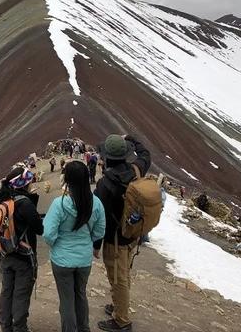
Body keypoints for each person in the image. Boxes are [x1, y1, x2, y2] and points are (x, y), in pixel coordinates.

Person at [93, 134, 151, 332]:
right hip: (132, 234)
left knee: (118, 278)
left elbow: (99, 218)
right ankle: (119, 306)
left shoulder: (104, 185)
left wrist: (96, 245)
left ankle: (122, 321)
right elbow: (145, 154)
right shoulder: (137, 169)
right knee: (123, 273)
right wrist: (132, 138)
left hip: (114, 240)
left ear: (107, 157)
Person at [43, 161, 106, 332]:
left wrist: (55, 245)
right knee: (81, 294)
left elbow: (48, 234)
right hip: (84, 260)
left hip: (62, 260)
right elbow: (99, 232)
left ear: (67, 180)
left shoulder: (59, 204)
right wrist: (88, 242)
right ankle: (84, 328)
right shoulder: (96, 203)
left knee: (66, 301)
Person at [0, 167, 44, 332]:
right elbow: (39, 229)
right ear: (24, 184)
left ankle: (5, 326)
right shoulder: (24, 203)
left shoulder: (3, 201)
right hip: (23, 256)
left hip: (5, 253)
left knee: (7, 291)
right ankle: (20, 328)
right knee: (21, 294)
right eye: (29, 181)